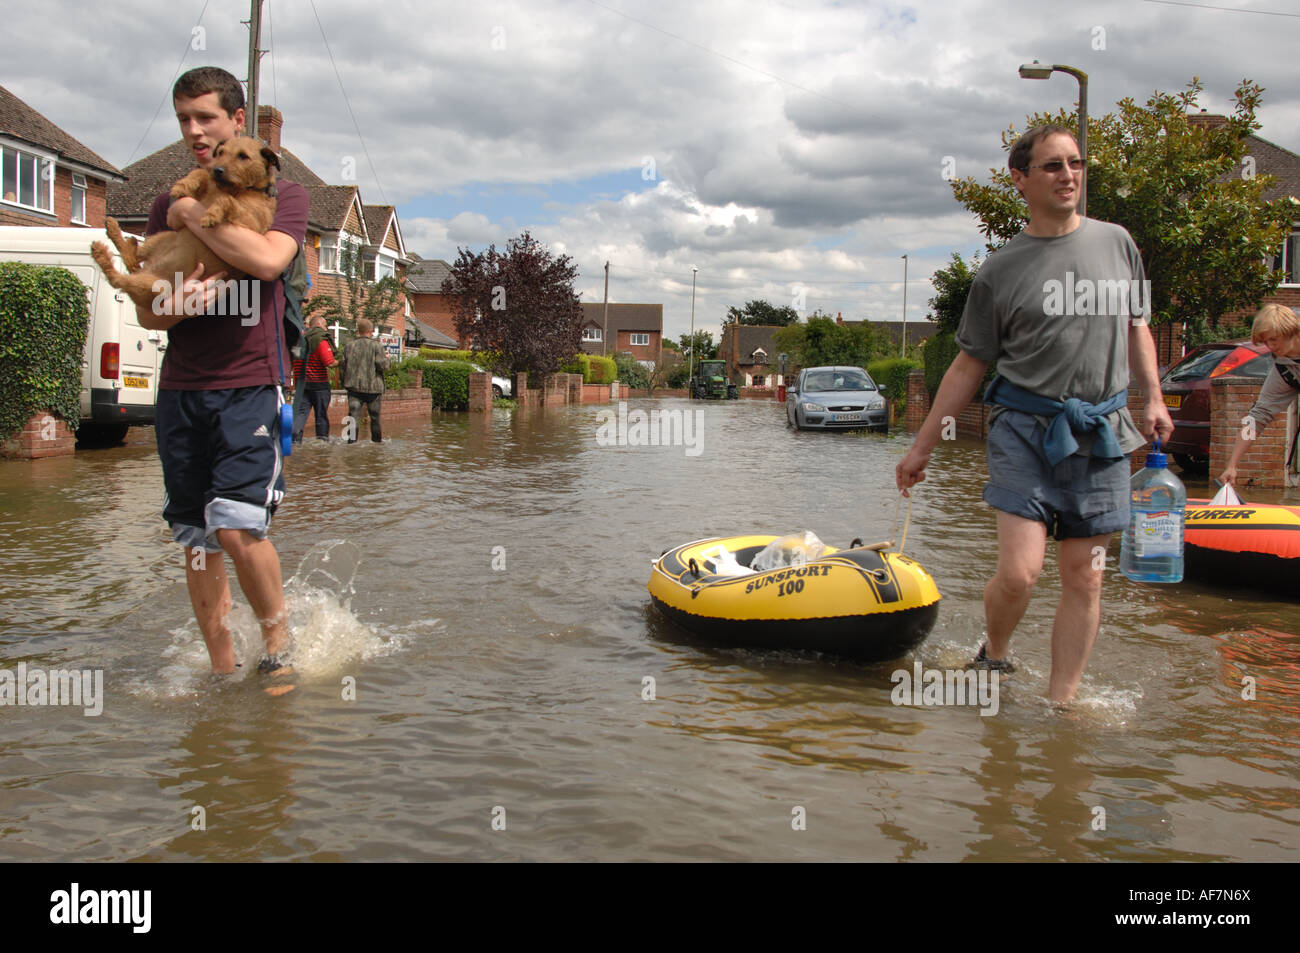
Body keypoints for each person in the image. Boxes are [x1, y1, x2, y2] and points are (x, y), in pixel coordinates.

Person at [896, 124, 1174, 705]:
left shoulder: (1118, 243)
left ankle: (1061, 703)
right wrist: (922, 445)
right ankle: (995, 653)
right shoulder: (1000, 270)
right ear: (1020, 179)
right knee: (1022, 573)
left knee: (1087, 575)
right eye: (1051, 166)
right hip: (1023, 431)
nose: (1068, 175)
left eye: (1075, 163)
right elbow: (969, 366)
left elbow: (1136, 327)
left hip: (1102, 432)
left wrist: (1152, 396)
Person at [134, 66, 308, 687]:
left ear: (238, 120)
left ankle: (277, 646)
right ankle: (220, 668)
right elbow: (149, 305)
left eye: (205, 117)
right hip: (181, 387)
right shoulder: (166, 201)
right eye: (184, 119)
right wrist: (180, 301)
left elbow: (266, 260)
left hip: (249, 384)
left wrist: (192, 212)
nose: (193, 131)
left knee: (236, 527)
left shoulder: (283, 194)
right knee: (196, 535)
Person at [1218, 303, 1300, 488]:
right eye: (1265, 342)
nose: (1270, 346)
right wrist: (1232, 465)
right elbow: (1256, 418)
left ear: (1289, 331)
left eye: (1273, 339)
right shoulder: (1285, 371)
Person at [339, 317, 391, 443]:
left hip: (353, 388)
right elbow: (383, 366)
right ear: (371, 331)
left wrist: (344, 383)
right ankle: (377, 445)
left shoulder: (349, 346)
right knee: (374, 417)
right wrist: (387, 358)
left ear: (358, 330)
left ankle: (351, 444)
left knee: (353, 416)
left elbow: (342, 368)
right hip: (373, 389)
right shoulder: (376, 346)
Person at [293, 313, 338, 442]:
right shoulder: (320, 340)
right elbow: (329, 362)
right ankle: (322, 443)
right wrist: (341, 362)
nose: (325, 329)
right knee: (321, 416)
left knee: (300, 414)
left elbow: (293, 359)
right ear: (318, 325)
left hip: (302, 385)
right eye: (325, 325)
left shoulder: (299, 340)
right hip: (319, 385)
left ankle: (295, 440)